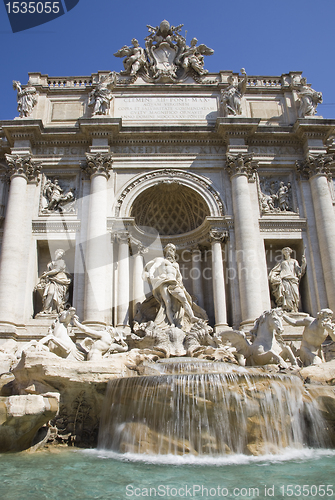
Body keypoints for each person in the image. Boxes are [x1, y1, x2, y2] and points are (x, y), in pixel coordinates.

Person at [142, 243, 199, 328]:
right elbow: (153, 267)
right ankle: (171, 323)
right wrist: (151, 275)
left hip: (174, 283)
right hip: (163, 282)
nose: (170, 251)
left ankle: (192, 317)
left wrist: (181, 285)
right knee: (167, 303)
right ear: (165, 251)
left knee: (184, 299)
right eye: (169, 249)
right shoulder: (161, 260)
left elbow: (179, 276)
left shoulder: (176, 264)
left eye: (172, 250)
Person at [269, 247, 306, 312]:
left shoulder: (294, 261)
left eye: (287, 251)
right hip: (284, 279)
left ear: (290, 252)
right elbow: (275, 270)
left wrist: (303, 263)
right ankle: (288, 309)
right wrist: (273, 276)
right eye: (284, 252)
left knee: (295, 295)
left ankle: (295, 309)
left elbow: (300, 271)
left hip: (293, 279)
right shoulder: (281, 262)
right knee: (287, 294)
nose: (286, 253)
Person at [36, 249, 72, 315]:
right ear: (56, 253)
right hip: (52, 280)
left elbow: (56, 270)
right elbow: (49, 270)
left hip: (60, 279)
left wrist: (47, 274)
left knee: (57, 295)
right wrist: (46, 274)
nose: (60, 254)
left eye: (61, 254)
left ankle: (56, 310)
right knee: (50, 292)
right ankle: (46, 310)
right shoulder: (51, 263)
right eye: (59, 253)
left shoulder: (61, 262)